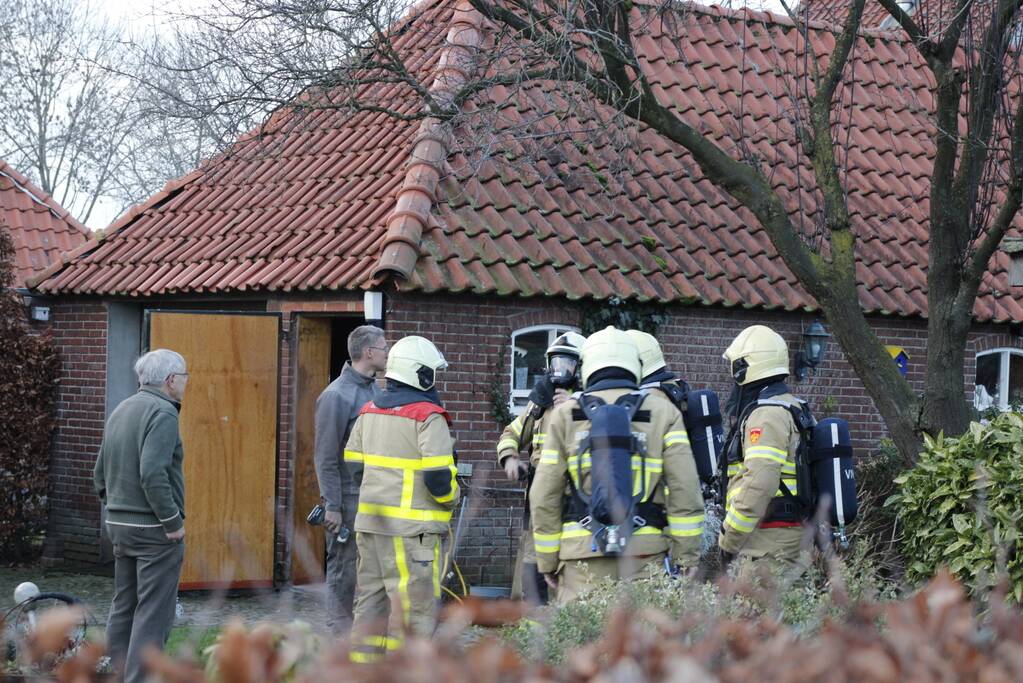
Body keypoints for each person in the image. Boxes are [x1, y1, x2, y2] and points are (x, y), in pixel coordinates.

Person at [530, 327, 705, 603]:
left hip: (580, 558)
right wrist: (686, 556)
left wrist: (547, 562)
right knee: (641, 642)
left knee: (583, 642)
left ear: (586, 366)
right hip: (645, 555)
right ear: (635, 365)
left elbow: (543, 496)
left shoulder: (565, 415)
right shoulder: (663, 412)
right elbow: (685, 489)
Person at [343, 335, 459, 663]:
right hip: (412, 534)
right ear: (421, 374)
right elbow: (439, 479)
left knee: (371, 605)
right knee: (413, 612)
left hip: (371, 528)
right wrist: (453, 497)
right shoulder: (429, 416)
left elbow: (354, 466)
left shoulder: (368, 411)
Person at [93, 349, 188, 683]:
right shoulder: (163, 412)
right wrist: (172, 523)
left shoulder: (122, 408)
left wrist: (115, 506)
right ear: (170, 380)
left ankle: (111, 675)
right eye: (185, 377)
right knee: (153, 613)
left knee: (123, 606)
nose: (186, 384)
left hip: (119, 525)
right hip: (154, 531)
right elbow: (152, 474)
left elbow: (99, 473)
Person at [496, 331, 585, 604]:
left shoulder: (592, 405)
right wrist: (510, 458)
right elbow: (511, 433)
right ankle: (533, 624)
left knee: (569, 564)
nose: (560, 371)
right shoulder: (539, 403)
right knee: (532, 562)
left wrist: (575, 407)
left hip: (574, 503)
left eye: (568, 364)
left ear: (581, 367)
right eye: (556, 363)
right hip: (538, 498)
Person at [718, 325, 809, 577]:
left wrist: (729, 540)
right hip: (782, 540)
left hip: (767, 547)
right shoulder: (789, 406)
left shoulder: (766, 416)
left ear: (743, 368)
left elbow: (759, 484)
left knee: (758, 616)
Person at [313, 324, 386, 635]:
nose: (387, 352)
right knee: (343, 574)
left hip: (374, 496)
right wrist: (332, 505)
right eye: (384, 347)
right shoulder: (335, 396)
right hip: (347, 500)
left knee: (372, 572)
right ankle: (339, 644)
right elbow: (325, 457)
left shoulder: (377, 391)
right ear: (368, 352)